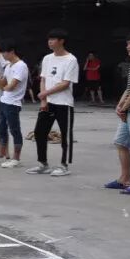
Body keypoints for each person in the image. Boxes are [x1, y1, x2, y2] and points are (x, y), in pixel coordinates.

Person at [28, 28, 79, 177]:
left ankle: (64, 165)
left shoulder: (71, 60)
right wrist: (44, 100)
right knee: (39, 132)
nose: (50, 42)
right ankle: (43, 164)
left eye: (53, 39)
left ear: (61, 41)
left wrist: (45, 93)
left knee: (65, 134)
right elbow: (43, 79)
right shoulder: (47, 58)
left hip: (64, 103)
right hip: (48, 103)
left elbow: (65, 83)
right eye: (49, 39)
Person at [106, 33, 130, 194]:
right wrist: (120, 106)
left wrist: (124, 108)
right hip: (129, 112)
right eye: (127, 43)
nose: (128, 47)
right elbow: (129, 88)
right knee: (121, 142)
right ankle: (124, 179)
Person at [0, 40, 28, 169]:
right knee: (1, 129)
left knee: (14, 130)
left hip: (13, 103)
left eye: (5, 53)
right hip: (4, 100)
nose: (3, 56)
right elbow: (2, 84)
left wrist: (4, 87)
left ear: (12, 52)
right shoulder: (8, 66)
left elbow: (11, 86)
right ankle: (1, 155)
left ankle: (16, 158)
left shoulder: (21, 66)